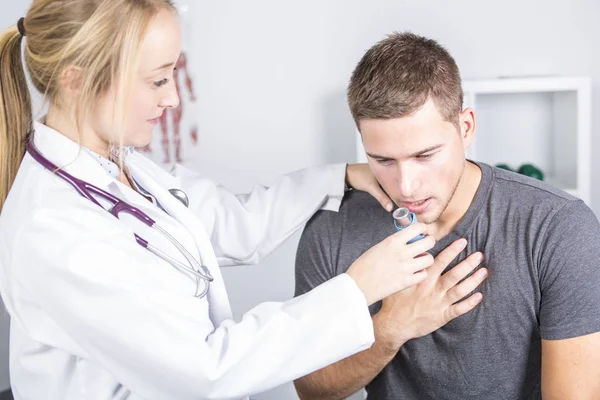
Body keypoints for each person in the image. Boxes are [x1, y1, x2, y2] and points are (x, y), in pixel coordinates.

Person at [0, 3, 470, 398]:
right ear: (76, 79)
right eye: (157, 80)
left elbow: (232, 227)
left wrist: (341, 175)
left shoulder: (120, 165)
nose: (173, 100)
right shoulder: (54, 227)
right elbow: (203, 370)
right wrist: (357, 289)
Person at [294, 32, 600, 400]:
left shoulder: (557, 227)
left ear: (465, 127)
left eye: (425, 155)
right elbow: (311, 390)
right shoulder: (332, 228)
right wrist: (390, 329)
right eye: (383, 160)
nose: (406, 186)